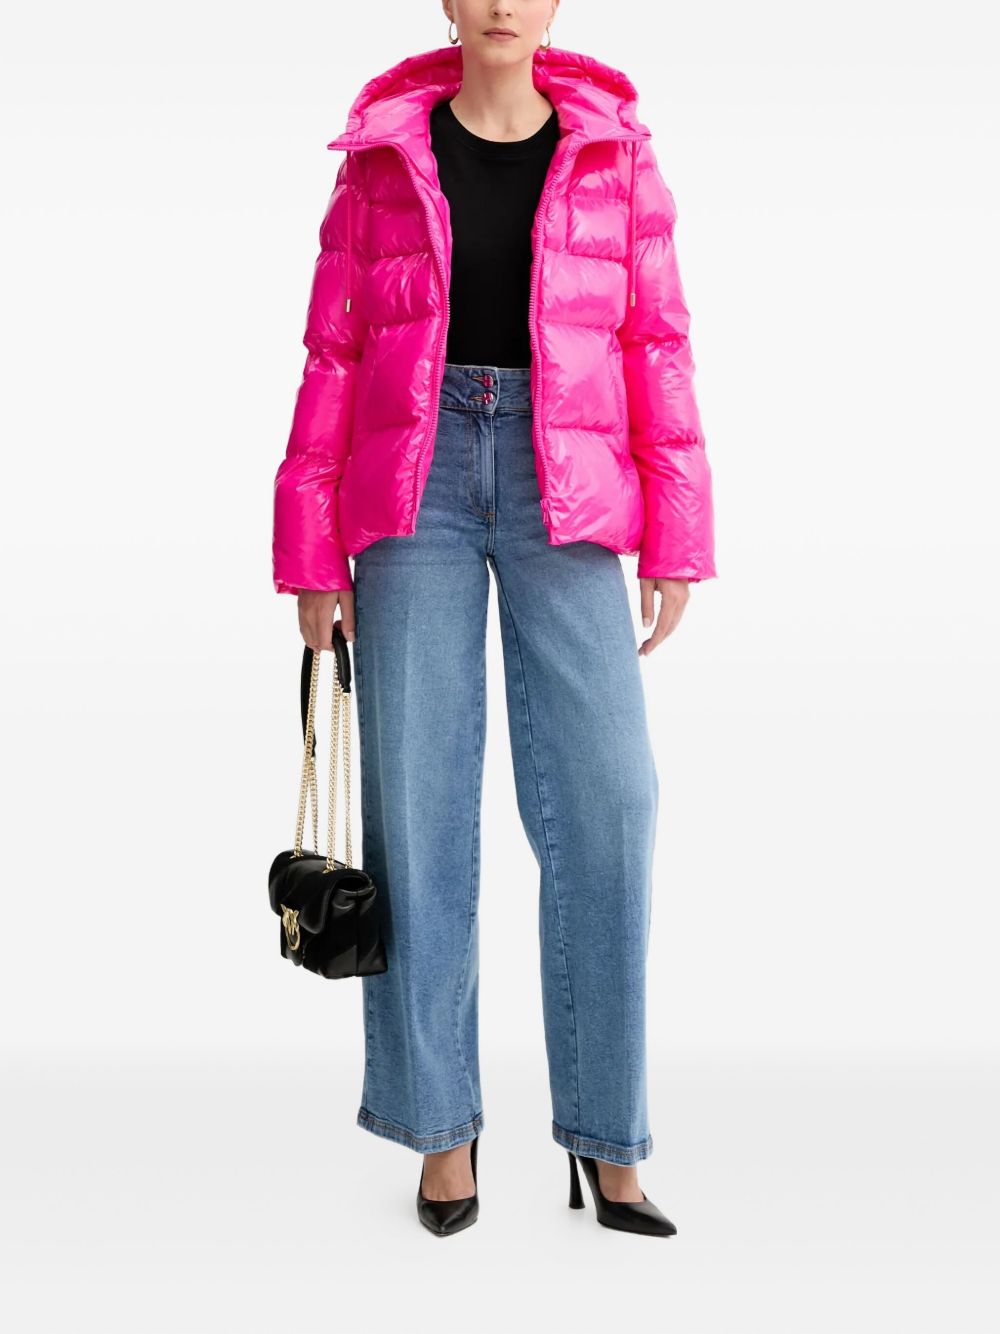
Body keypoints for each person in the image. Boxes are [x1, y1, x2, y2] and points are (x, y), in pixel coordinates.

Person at [272, 0, 716, 1238]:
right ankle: (440, 1128)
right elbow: (333, 351)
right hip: (408, 480)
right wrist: (310, 551)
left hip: (564, 476)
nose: (505, 2)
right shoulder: (380, 158)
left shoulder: (615, 152)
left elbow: (657, 342)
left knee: (611, 802)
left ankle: (607, 1137)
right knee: (416, 809)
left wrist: (678, 533)